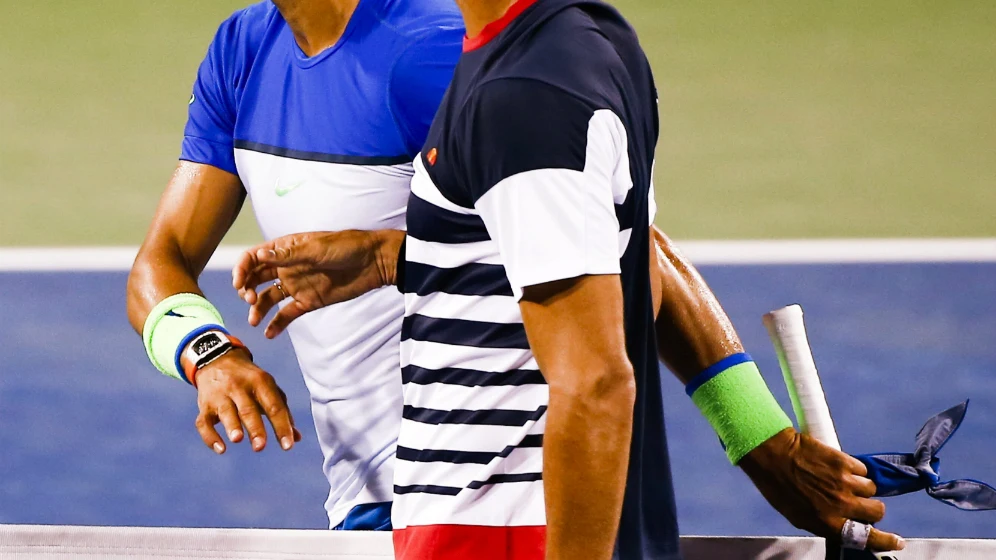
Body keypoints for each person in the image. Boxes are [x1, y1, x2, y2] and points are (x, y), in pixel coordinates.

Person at [230, 0, 908, 557]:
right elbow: (610, 252)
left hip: (498, 531)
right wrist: (394, 258)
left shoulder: (520, 95)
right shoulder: (580, 42)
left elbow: (596, 384)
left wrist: (759, 441)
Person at [125, 0, 463, 530]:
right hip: (367, 496)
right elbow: (161, 259)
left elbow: (572, 260)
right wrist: (209, 353)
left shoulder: (431, 52)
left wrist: (387, 256)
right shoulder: (244, 47)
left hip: (482, 485)